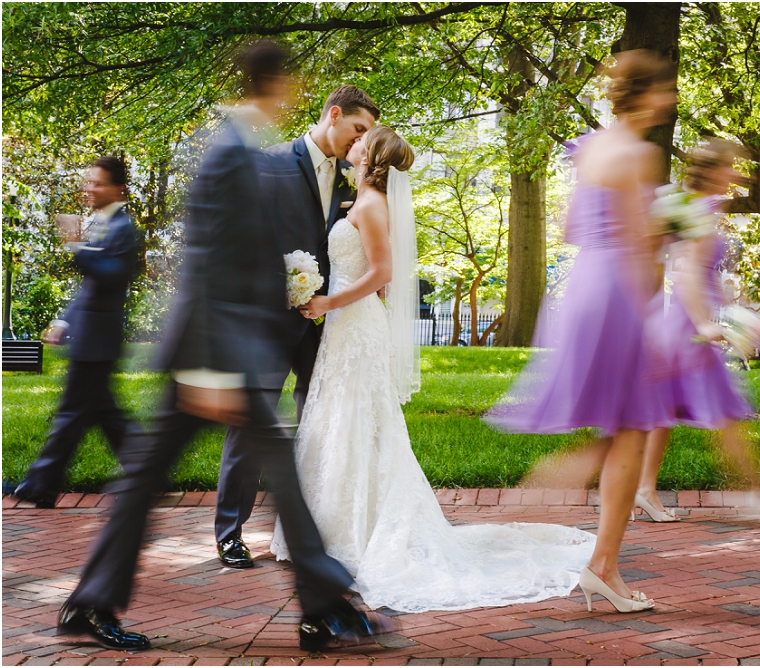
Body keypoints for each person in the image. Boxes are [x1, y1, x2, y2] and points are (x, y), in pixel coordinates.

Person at [57, 41, 387, 652]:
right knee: (207, 474)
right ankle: (319, 600)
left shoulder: (236, 145)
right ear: (279, 83)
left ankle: (319, 601)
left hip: (229, 346)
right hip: (212, 352)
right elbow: (208, 261)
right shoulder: (232, 151)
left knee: (206, 474)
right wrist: (208, 367)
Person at [271, 125, 596, 613]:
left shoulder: (372, 206)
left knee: (360, 417)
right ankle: (323, 528)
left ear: (370, 154)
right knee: (340, 417)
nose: (354, 141)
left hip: (354, 324)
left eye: (363, 138)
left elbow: (383, 272)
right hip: (346, 325)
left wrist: (327, 301)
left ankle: (354, 534)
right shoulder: (358, 201)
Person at [486, 50, 677, 613]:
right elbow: (642, 248)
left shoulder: (591, 147)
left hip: (584, 286)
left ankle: (591, 548)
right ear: (645, 95)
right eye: (664, 90)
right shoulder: (641, 154)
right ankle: (603, 566)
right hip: (619, 289)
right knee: (633, 426)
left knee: (622, 425)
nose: (669, 100)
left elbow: (574, 227)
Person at [214, 85, 378, 569]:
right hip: (265, 323)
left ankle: (314, 532)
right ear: (333, 115)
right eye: (357, 129)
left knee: (322, 425)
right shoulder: (269, 162)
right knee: (250, 426)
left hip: (327, 324)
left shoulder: (359, 178)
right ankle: (230, 532)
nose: (360, 142)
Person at [637, 141, 760, 523]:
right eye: (730, 169)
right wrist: (705, 322)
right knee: (724, 414)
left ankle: (644, 490)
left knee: (665, 412)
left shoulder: (696, 208)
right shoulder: (698, 211)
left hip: (682, 323)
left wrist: (724, 307)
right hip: (689, 327)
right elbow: (686, 272)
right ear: (714, 172)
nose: (735, 176)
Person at [11, 157, 138, 508]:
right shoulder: (104, 223)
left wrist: (75, 245)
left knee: (71, 415)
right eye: (88, 182)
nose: (89, 189)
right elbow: (90, 287)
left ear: (117, 187)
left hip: (98, 340)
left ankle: (41, 485)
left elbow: (112, 275)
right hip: (89, 336)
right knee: (104, 416)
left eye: (97, 183)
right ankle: (145, 473)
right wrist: (66, 320)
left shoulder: (123, 228)